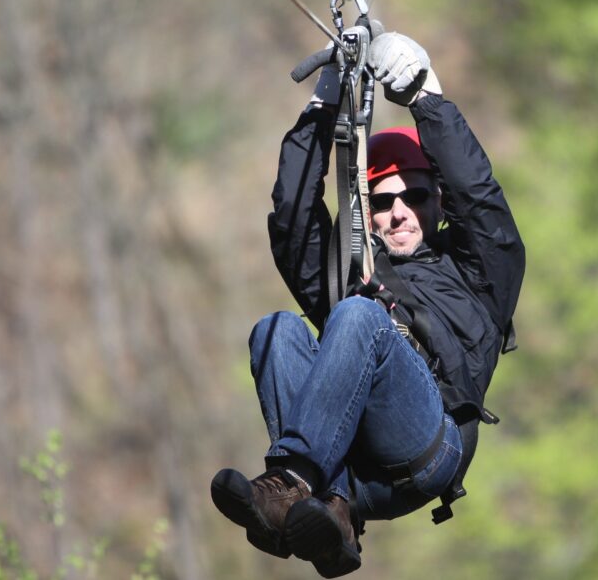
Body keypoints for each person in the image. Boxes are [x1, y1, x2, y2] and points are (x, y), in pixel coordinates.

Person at [210, 32, 525, 577]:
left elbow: (483, 204)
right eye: (383, 200)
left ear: (438, 202)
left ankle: (292, 485)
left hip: (429, 444)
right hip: (351, 470)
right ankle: (328, 516)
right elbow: (292, 220)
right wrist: (321, 109)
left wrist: (427, 98)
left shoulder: (476, 272)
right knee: (276, 329)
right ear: (368, 210)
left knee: (358, 315)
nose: (400, 212)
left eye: (416, 197)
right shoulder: (348, 270)